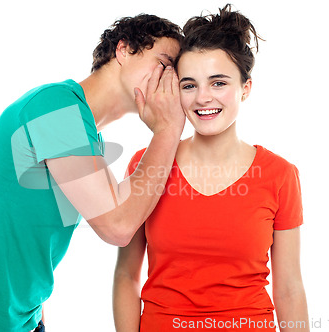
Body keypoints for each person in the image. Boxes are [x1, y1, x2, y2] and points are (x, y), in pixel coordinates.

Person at [0, 14, 185, 332]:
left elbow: (121, 209)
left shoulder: (84, 135)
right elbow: (118, 227)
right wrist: (168, 130)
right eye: (165, 64)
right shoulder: (55, 107)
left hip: (20, 322)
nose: (170, 82)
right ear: (124, 50)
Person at [113, 4, 309, 331]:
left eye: (218, 83)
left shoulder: (280, 175)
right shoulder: (144, 165)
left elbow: (288, 288)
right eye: (189, 85)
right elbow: (126, 275)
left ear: (245, 88)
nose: (203, 97)